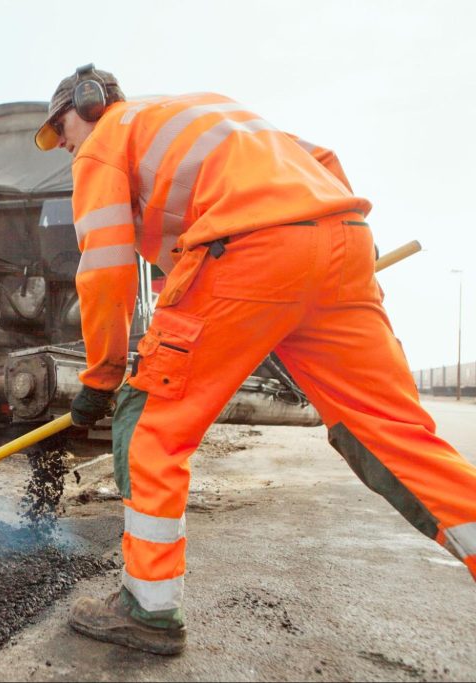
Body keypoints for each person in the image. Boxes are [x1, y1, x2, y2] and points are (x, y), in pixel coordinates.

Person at [34, 64, 476, 655]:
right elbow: (322, 161)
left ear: (86, 103)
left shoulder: (104, 143)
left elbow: (106, 273)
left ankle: (149, 609)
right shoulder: (209, 113)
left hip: (250, 250)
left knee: (151, 426)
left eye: (59, 127)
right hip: (342, 240)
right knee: (393, 435)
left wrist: (104, 376)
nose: (62, 143)